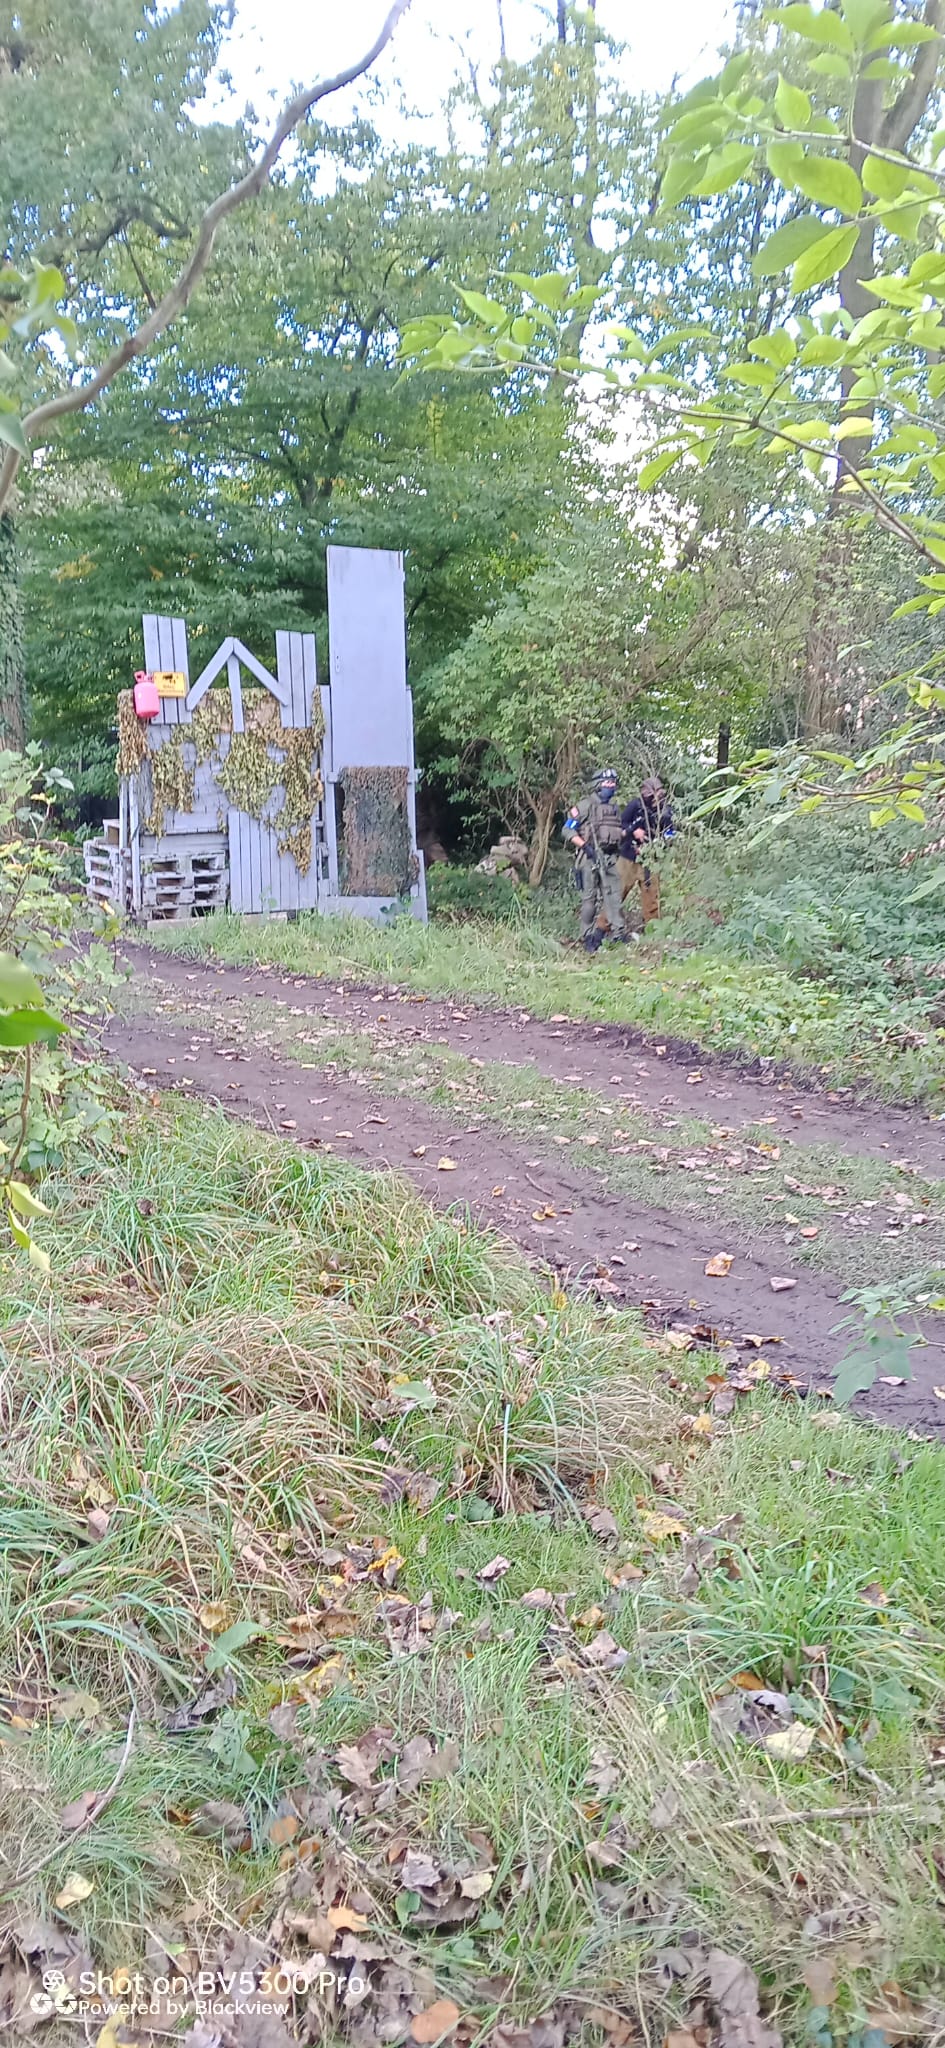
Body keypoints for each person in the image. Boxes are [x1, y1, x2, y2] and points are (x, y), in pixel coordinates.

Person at [562, 767, 628, 953]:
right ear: (598, 785)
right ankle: (588, 937)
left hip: (609, 858)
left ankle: (618, 933)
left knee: (614, 897)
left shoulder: (614, 808)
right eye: (607, 783)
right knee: (589, 900)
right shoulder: (585, 806)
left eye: (613, 783)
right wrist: (585, 846)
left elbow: (616, 831)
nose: (611, 786)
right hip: (589, 858)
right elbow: (567, 829)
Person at [618, 774, 675, 926]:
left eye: (654, 794)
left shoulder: (665, 812)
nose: (651, 797)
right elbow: (621, 823)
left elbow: (670, 834)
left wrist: (657, 844)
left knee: (652, 898)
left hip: (651, 859)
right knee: (616, 893)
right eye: (647, 793)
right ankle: (603, 929)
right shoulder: (636, 805)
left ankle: (653, 929)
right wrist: (633, 831)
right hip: (629, 857)